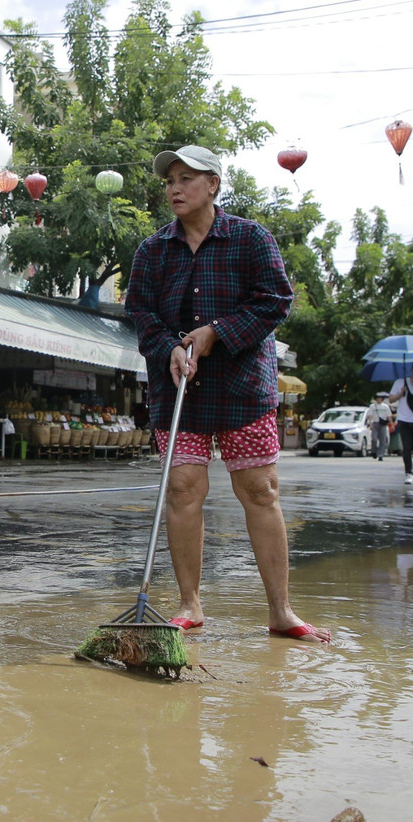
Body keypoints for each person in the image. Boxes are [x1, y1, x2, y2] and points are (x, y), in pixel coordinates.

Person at [124, 143, 329, 644]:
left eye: (186, 178)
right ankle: (189, 605)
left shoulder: (251, 238)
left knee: (260, 491)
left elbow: (275, 300)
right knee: (183, 489)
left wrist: (218, 332)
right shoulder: (152, 250)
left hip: (242, 387)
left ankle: (281, 611)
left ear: (213, 184)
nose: (174, 188)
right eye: (169, 181)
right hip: (179, 390)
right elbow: (140, 313)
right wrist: (169, 348)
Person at [365, 392, 391, 460]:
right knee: (374, 438)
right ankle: (374, 451)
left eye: (380, 398)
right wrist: (371, 424)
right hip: (375, 423)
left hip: (383, 424)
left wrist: (391, 424)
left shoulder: (385, 406)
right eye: (377, 398)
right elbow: (370, 415)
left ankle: (380, 454)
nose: (378, 399)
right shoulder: (372, 406)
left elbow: (389, 416)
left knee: (382, 439)